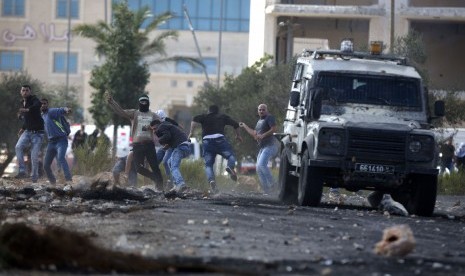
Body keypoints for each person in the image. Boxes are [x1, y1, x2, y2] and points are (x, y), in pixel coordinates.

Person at [105, 92, 164, 190]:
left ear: (148, 102)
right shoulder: (134, 113)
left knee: (154, 166)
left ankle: (160, 186)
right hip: (137, 145)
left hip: (149, 144)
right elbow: (121, 112)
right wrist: (112, 102)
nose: (144, 103)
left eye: (145, 101)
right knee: (139, 168)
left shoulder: (153, 115)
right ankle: (154, 177)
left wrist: (154, 127)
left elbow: (161, 124)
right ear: (139, 102)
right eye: (142, 101)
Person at [188, 105, 242, 194]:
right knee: (230, 156)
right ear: (218, 111)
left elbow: (194, 119)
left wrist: (191, 133)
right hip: (220, 140)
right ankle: (230, 167)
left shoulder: (204, 116)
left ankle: (211, 181)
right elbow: (236, 124)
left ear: (209, 111)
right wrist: (238, 135)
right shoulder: (222, 116)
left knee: (208, 165)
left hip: (207, 142)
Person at [239, 104, 279, 194]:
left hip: (271, 145)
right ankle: (266, 190)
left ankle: (273, 184)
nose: (261, 111)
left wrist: (263, 135)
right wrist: (244, 126)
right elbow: (254, 134)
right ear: (258, 111)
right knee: (258, 168)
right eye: (260, 110)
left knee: (261, 165)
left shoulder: (269, 117)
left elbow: (274, 129)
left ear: (266, 110)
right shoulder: (259, 121)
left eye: (263, 109)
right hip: (263, 147)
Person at [151, 119, 191, 195]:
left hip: (181, 146)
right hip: (185, 146)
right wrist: (167, 145)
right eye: (152, 130)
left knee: (174, 167)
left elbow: (167, 136)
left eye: (155, 129)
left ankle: (181, 184)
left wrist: (160, 140)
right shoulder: (168, 126)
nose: (154, 131)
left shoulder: (162, 126)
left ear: (158, 125)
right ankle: (176, 185)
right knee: (169, 162)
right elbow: (171, 137)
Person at [15, 84, 45, 183]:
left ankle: (34, 177)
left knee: (34, 154)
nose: (25, 92)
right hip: (27, 131)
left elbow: (37, 105)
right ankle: (22, 171)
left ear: (30, 92)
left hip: (38, 133)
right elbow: (28, 118)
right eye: (23, 90)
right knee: (18, 147)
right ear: (20, 92)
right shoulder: (22, 102)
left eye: (27, 90)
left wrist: (27, 110)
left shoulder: (34, 99)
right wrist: (22, 128)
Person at [40, 98, 73, 185]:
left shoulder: (51, 111)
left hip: (61, 140)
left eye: (45, 103)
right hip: (51, 143)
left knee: (61, 158)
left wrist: (67, 109)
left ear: (47, 104)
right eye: (41, 104)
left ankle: (69, 180)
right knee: (46, 165)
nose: (43, 105)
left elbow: (61, 109)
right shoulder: (42, 116)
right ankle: (53, 183)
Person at [155, 109, 180, 186]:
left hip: (170, 145)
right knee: (155, 161)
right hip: (164, 146)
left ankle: (171, 181)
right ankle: (158, 180)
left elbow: (177, 128)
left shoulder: (168, 122)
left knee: (166, 161)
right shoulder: (158, 124)